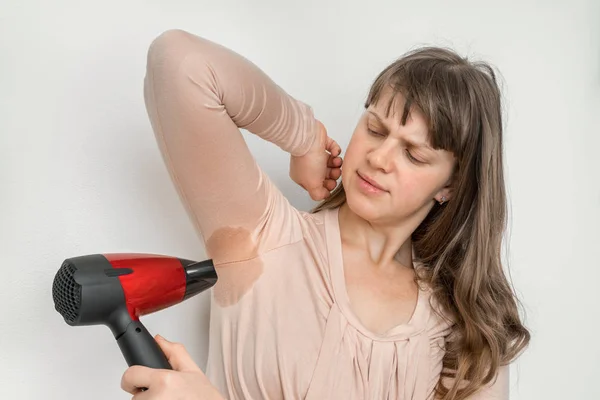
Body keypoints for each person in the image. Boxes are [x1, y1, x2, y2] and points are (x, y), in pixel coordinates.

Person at [120, 28, 530, 400]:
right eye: (375, 128)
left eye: (414, 153)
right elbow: (179, 62)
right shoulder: (263, 236)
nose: (379, 158)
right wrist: (302, 136)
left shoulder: (466, 328)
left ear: (450, 186)